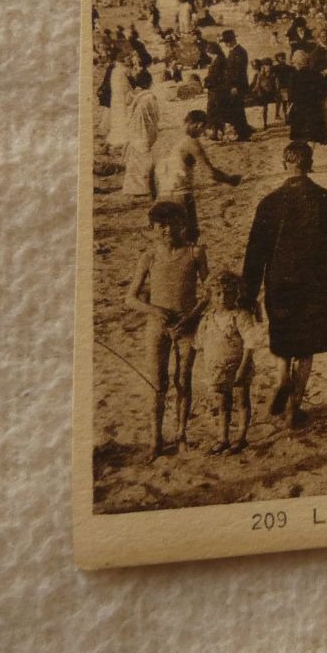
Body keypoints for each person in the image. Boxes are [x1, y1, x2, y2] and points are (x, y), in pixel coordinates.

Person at [241, 141, 327, 428]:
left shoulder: (269, 202)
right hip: (314, 281)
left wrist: (248, 293)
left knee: (284, 336)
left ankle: (282, 377)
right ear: (310, 164)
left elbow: (255, 251)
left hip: (279, 281)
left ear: (284, 164)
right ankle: (293, 410)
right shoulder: (326, 199)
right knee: (307, 346)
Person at [125, 200, 209, 459]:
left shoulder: (195, 253)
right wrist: (154, 310)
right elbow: (130, 298)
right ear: (152, 228)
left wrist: (192, 316)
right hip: (157, 327)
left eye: (173, 224)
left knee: (183, 380)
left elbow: (209, 292)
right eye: (161, 226)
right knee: (157, 384)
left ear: (182, 224)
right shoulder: (148, 257)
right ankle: (156, 440)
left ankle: (181, 435)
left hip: (187, 327)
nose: (168, 230)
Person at [192, 270, 269, 454]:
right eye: (217, 294)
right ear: (210, 296)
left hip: (238, 366)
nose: (222, 298)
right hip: (216, 368)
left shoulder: (240, 316)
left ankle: (241, 437)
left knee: (242, 400)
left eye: (228, 293)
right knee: (222, 403)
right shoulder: (208, 319)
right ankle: (223, 437)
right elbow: (200, 343)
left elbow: (250, 342)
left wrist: (243, 366)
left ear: (237, 294)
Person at [155, 110, 243, 243]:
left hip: (162, 195)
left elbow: (152, 172)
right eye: (203, 130)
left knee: (168, 242)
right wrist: (230, 179)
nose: (201, 134)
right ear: (198, 125)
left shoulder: (165, 138)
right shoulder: (191, 143)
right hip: (181, 195)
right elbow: (210, 173)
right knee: (190, 239)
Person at [286, 47, 327, 163]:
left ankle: (302, 161)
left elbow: (291, 96)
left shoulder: (294, 76)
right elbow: (325, 90)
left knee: (301, 138)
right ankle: (309, 160)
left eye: (294, 63)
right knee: (312, 137)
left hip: (299, 111)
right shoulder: (316, 74)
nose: (294, 65)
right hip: (314, 110)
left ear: (298, 62)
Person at [120, 70, 161, 199]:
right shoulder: (150, 97)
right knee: (145, 159)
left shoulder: (134, 96)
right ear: (149, 83)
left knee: (135, 159)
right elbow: (155, 115)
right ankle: (144, 188)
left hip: (134, 130)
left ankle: (133, 189)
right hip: (145, 130)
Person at [218, 30, 253, 141]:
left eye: (227, 41)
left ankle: (243, 134)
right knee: (236, 109)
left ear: (233, 40)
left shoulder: (239, 52)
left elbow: (239, 71)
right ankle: (243, 131)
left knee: (238, 109)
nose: (226, 44)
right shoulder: (234, 51)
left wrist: (234, 86)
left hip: (237, 85)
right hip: (234, 85)